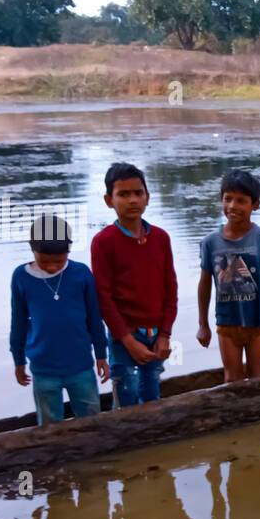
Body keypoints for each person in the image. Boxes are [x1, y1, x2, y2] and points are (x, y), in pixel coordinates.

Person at [10, 213, 110, 425]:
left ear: (69, 251)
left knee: (91, 418)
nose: (52, 266)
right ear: (32, 249)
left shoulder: (81, 274)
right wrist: (18, 361)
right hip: (43, 369)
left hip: (81, 365)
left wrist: (101, 354)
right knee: (49, 423)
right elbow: (18, 322)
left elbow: (94, 317)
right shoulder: (21, 277)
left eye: (58, 260)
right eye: (44, 261)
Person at [90, 162, 177, 407]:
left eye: (138, 193)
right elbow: (104, 298)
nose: (132, 200)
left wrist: (165, 334)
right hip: (123, 335)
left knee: (151, 390)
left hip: (156, 333)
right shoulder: (103, 242)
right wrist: (128, 340)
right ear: (109, 200)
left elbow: (171, 288)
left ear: (147, 197)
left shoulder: (160, 238)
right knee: (125, 390)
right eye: (123, 194)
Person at [195, 169, 260, 380]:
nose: (232, 206)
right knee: (231, 378)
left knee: (258, 377)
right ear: (221, 200)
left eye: (241, 201)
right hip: (226, 324)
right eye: (228, 199)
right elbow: (204, 287)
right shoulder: (210, 243)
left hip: (258, 323)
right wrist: (203, 325)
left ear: (255, 204)